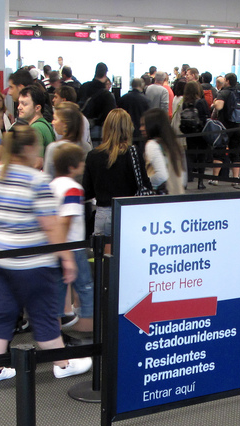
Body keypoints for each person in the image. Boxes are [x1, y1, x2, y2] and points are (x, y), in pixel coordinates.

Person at [0, 124, 91, 384]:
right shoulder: (37, 180)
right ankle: (62, 364)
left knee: (2, 312)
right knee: (42, 314)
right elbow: (51, 226)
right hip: (32, 263)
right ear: (30, 148)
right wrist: (66, 259)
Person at [82, 109, 146, 246]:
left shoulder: (93, 155)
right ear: (129, 128)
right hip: (128, 212)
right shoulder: (133, 153)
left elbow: (87, 191)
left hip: (103, 213)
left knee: (104, 263)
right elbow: (144, 185)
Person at [50, 142, 92, 332]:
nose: (83, 165)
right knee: (84, 285)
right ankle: (88, 326)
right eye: (81, 162)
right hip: (72, 247)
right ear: (72, 167)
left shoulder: (51, 186)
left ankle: (56, 324)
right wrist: (66, 251)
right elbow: (66, 220)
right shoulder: (73, 189)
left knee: (58, 286)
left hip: (54, 246)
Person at [143, 107, 186, 194]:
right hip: (178, 195)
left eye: (144, 125)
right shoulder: (174, 144)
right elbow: (183, 177)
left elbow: (161, 176)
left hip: (162, 199)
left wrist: (145, 183)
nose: (141, 128)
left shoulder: (152, 145)